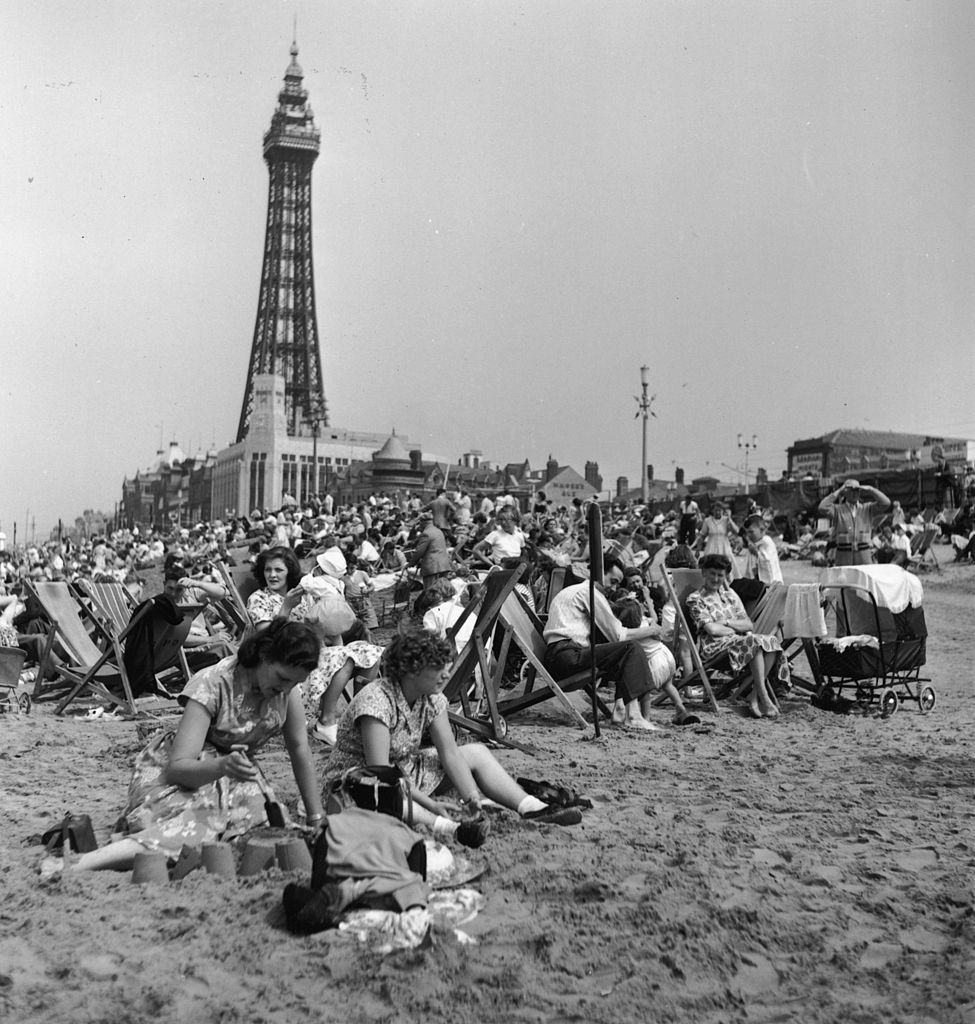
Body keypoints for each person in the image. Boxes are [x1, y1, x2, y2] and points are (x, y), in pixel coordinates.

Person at [44, 620, 324, 875]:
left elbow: (299, 748)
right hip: (182, 772)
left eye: (295, 683)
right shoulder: (214, 683)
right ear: (264, 656)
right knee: (194, 830)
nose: (287, 689)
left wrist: (316, 816)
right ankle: (81, 862)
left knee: (265, 834)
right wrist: (222, 767)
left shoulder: (286, 691)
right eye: (283, 679)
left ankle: (132, 844)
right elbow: (178, 767)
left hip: (233, 775)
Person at [321, 630, 582, 847]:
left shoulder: (430, 697)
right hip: (359, 782)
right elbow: (381, 774)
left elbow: (450, 753)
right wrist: (432, 804)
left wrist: (472, 799)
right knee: (387, 794)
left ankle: (532, 807)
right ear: (412, 670)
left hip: (404, 771)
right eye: (439, 669)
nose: (447, 675)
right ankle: (449, 828)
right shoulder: (376, 700)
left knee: (476, 752)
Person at [543, 556, 665, 732]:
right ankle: (634, 716)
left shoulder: (573, 590)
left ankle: (620, 711)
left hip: (560, 655)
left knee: (622, 656)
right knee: (631, 647)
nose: (614, 588)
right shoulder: (590, 592)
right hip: (566, 656)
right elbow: (618, 635)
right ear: (600, 573)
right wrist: (653, 630)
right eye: (613, 581)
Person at [686, 554, 786, 719]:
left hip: (739, 643)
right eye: (712, 573)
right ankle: (765, 698)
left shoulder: (730, 595)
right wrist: (735, 627)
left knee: (771, 641)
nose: (716, 578)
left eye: (720, 575)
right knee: (753, 641)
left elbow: (748, 624)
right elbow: (712, 630)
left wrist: (725, 622)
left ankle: (754, 695)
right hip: (714, 648)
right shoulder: (695, 599)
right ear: (703, 572)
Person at [303, 601, 382, 746]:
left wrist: (334, 633)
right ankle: (325, 721)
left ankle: (358, 714)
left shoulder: (306, 594)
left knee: (371, 653)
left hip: (324, 653)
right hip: (301, 654)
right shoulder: (260, 598)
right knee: (345, 658)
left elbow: (337, 642)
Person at [820, 479, 891, 566]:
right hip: (843, 555)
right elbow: (822, 507)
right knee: (844, 579)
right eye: (851, 490)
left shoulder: (867, 508)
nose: (854, 493)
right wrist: (838, 491)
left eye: (857, 490)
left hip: (864, 555)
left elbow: (886, 503)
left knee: (863, 577)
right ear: (845, 493)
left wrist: (871, 490)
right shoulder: (838, 510)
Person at [246, 545, 304, 624]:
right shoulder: (258, 599)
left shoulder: (298, 596)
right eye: (268, 570)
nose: (272, 575)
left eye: (278, 570)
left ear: (290, 572)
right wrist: (286, 607)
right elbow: (266, 634)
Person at [693, 502, 740, 578]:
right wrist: (698, 550)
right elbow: (702, 536)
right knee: (710, 567)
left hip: (724, 548)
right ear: (713, 511)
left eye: (719, 510)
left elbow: (737, 531)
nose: (717, 512)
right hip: (711, 547)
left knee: (726, 568)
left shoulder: (726, 520)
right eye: (716, 510)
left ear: (723, 511)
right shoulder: (707, 521)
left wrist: (730, 519)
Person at [408, 512, 452, 589]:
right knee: (442, 591)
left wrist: (411, 563)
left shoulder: (426, 534)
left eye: (420, 523)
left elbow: (419, 552)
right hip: (444, 565)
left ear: (423, 522)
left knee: (430, 592)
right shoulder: (439, 531)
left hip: (432, 567)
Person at [741, 515, 783, 584]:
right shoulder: (754, 544)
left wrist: (756, 553)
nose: (749, 535)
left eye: (751, 532)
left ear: (761, 529)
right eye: (747, 532)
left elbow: (768, 562)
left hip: (771, 582)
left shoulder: (767, 542)